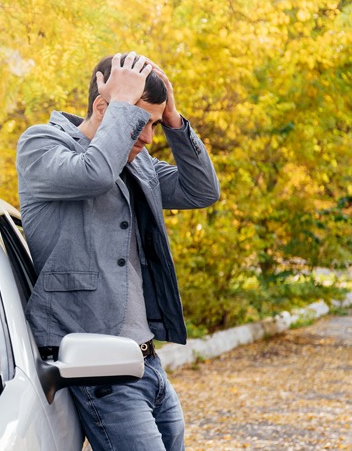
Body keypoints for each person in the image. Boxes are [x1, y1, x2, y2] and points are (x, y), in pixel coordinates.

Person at [16, 52, 220, 451]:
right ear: (102, 106)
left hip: (147, 362)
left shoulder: (139, 163)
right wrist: (123, 108)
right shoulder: (41, 144)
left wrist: (174, 119)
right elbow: (93, 174)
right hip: (98, 368)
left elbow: (202, 191)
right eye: (140, 124)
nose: (146, 139)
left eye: (154, 126)